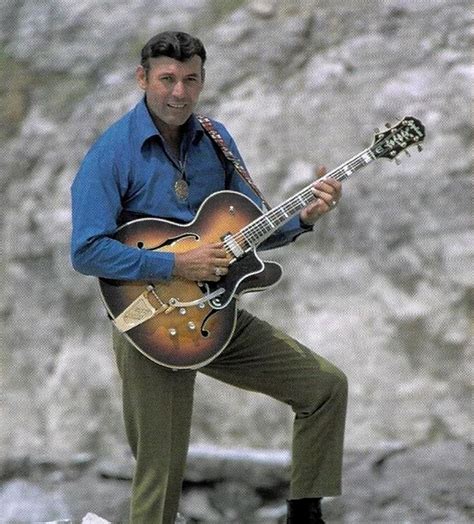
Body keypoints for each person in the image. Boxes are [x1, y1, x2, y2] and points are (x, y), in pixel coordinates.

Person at [71, 31, 347, 524]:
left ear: (201, 81)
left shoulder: (215, 140)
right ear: (143, 79)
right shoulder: (112, 152)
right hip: (148, 326)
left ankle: (304, 513)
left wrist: (303, 218)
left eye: (190, 79)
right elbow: (87, 251)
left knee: (324, 387)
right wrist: (176, 265)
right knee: (162, 471)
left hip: (217, 313)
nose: (178, 92)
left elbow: (249, 226)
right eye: (167, 79)